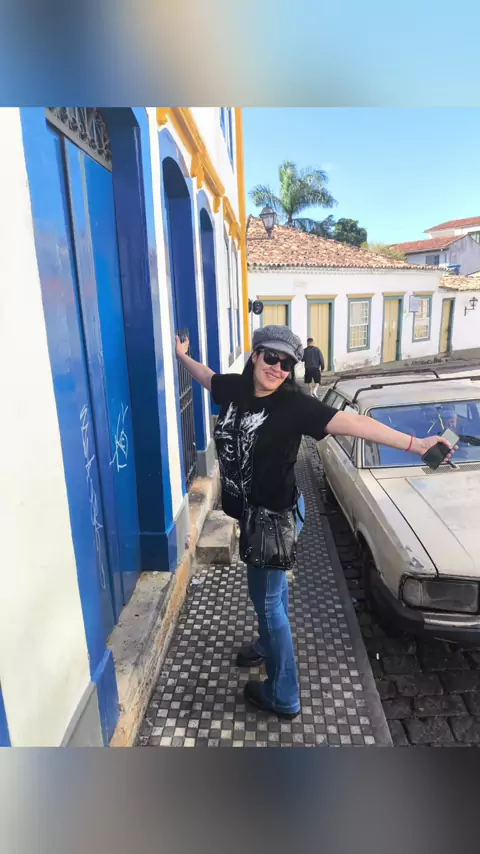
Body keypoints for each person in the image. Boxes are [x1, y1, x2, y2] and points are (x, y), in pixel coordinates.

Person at [175, 324, 454, 720]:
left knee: (268, 601)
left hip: (274, 521)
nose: (278, 368)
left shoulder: (295, 406)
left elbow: (357, 424)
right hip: (254, 517)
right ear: (255, 355)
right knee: (267, 594)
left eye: (287, 363)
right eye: (271, 357)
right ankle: (267, 644)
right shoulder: (235, 389)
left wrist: (417, 444)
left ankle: (283, 693)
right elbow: (207, 377)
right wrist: (182, 357)